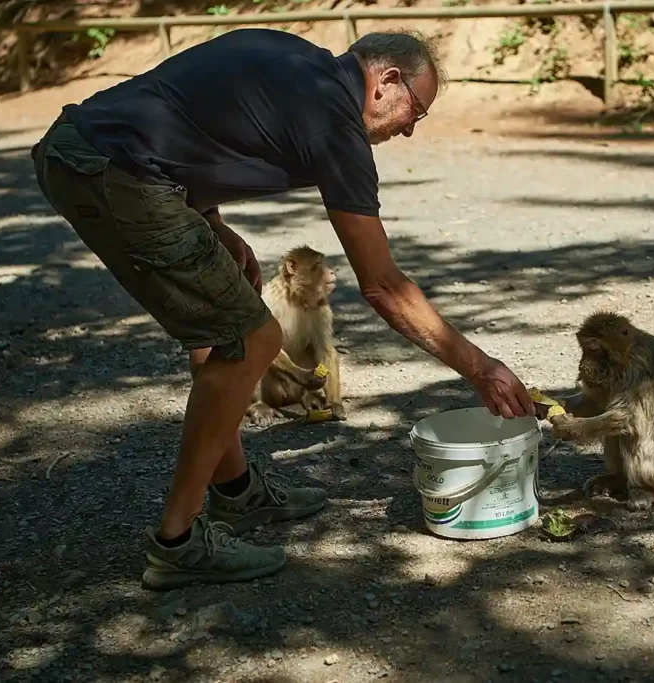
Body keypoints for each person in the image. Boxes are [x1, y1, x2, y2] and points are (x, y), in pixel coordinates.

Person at [31, 27, 535, 591]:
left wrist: (211, 224)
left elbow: (190, 123)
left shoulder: (297, 63)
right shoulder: (336, 122)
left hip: (83, 150)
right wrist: (480, 368)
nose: (409, 128)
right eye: (414, 110)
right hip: (111, 170)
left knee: (223, 328)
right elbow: (383, 285)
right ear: (386, 80)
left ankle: (236, 492)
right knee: (253, 336)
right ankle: (178, 541)